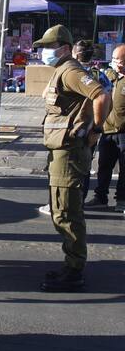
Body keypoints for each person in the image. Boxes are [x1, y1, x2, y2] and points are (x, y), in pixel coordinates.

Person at [34, 25, 111, 292]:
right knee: (61, 210)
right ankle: (71, 264)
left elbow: (102, 95)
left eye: (47, 47)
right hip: (61, 151)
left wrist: (96, 129)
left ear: (64, 48)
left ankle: (75, 269)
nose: (43, 52)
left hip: (70, 151)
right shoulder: (62, 71)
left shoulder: (71, 71)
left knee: (67, 211)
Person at [89, 43, 125, 212]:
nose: (117, 62)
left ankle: (121, 200)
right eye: (115, 59)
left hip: (123, 132)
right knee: (103, 166)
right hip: (107, 130)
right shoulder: (107, 74)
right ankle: (100, 197)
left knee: (124, 169)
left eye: (120, 59)